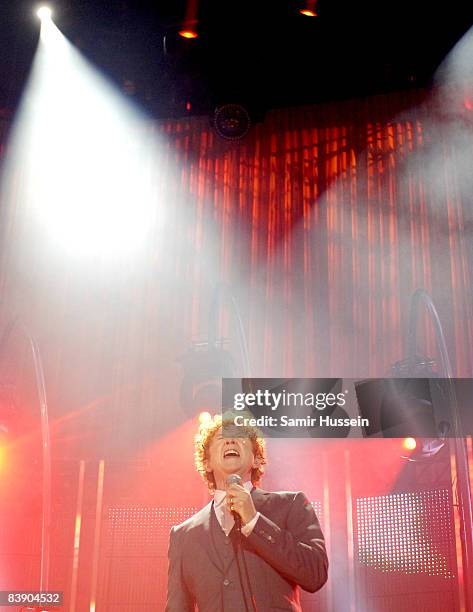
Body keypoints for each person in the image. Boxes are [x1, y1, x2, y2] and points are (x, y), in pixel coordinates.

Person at [165, 414, 328, 611]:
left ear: (257, 460)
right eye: (221, 438)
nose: (231, 440)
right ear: (207, 462)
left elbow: (315, 574)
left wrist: (254, 521)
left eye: (240, 437)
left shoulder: (290, 505)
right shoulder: (183, 535)